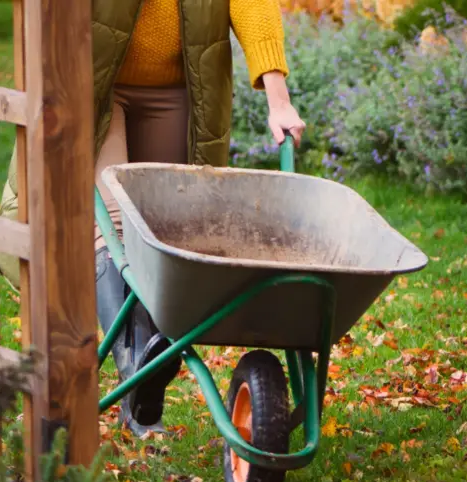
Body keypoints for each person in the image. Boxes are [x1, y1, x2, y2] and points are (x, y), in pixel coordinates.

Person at [89, 0, 307, 436]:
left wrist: (278, 100)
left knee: (160, 233)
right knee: (111, 221)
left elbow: (254, 6)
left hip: (174, 91)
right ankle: (137, 369)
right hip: (96, 82)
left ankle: (141, 383)